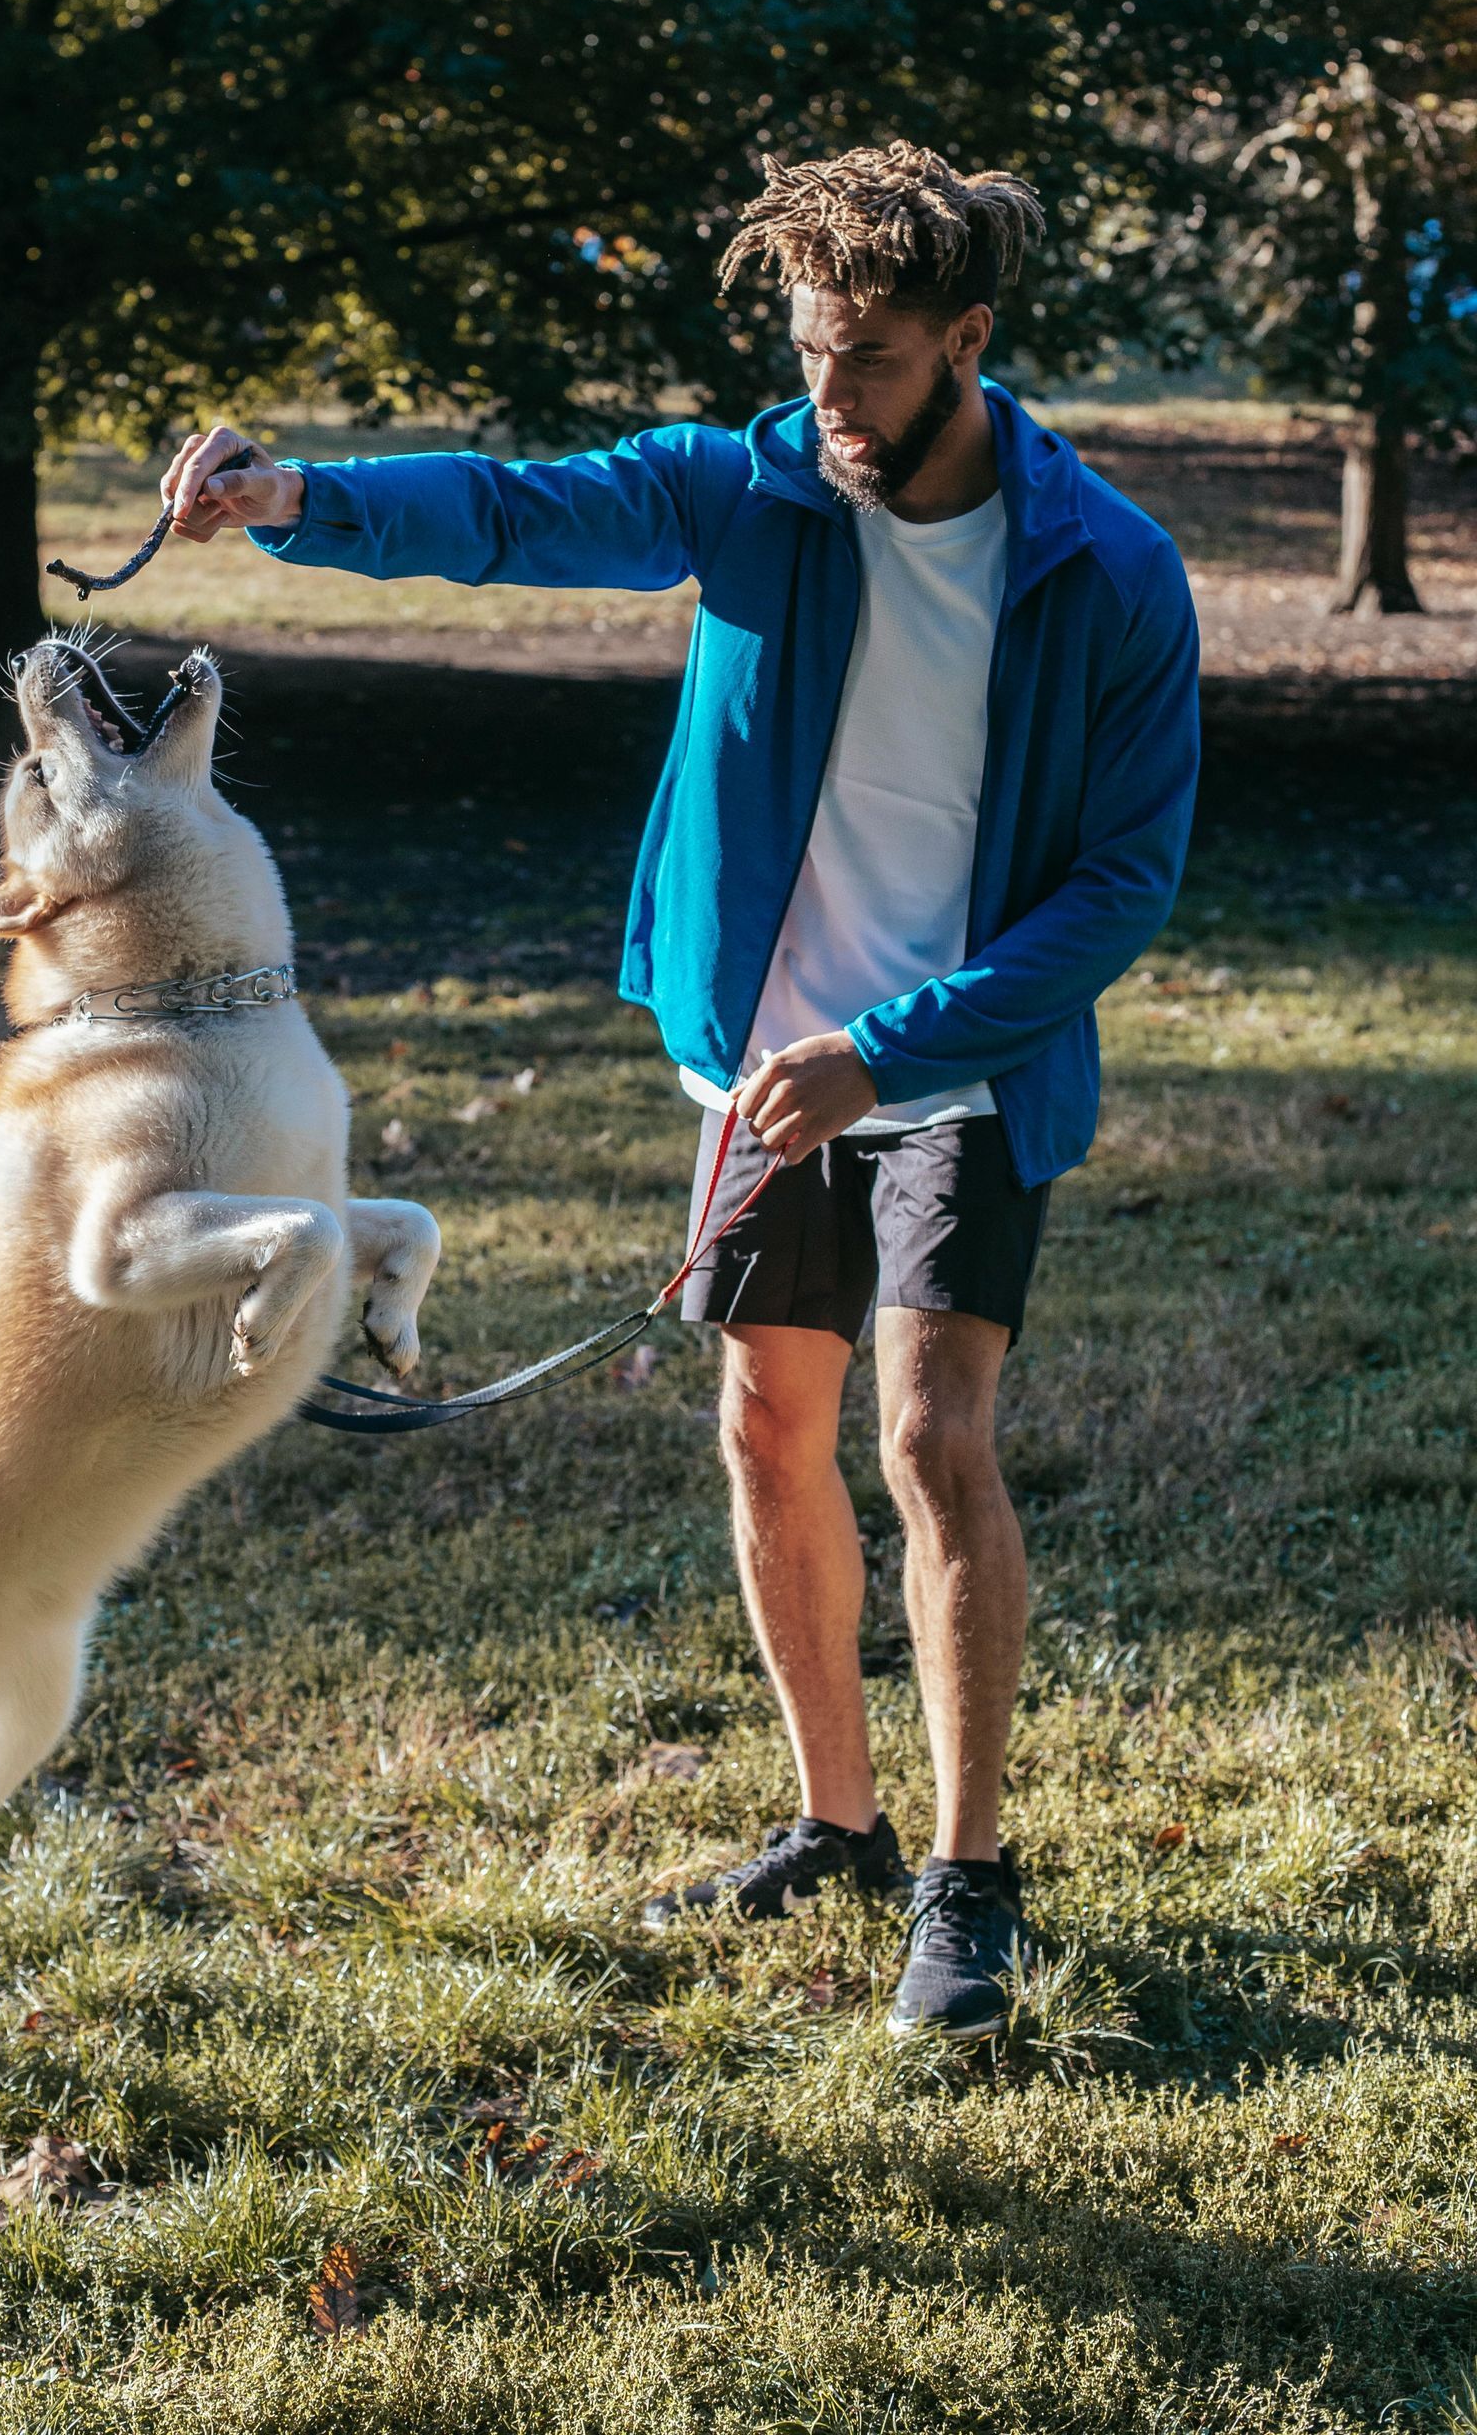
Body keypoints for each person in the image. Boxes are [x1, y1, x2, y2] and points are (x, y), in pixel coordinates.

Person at [156, 141, 1200, 2039]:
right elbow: (518, 509)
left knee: (932, 1446)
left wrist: (894, 1045)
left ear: (969, 338)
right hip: (755, 1061)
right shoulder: (752, 489)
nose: (833, 398)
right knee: (761, 1430)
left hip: (949, 1069)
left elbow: (1123, 882)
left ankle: (968, 1884)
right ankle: (837, 1822)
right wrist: (303, 497)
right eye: (811, 353)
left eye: (873, 357)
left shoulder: (1109, 571)